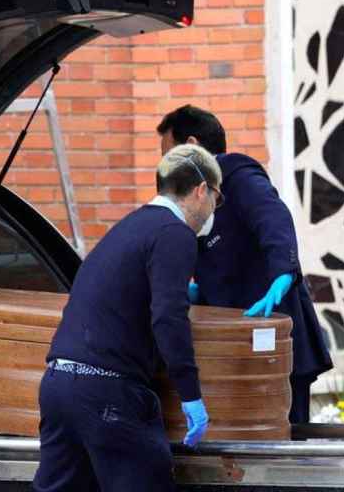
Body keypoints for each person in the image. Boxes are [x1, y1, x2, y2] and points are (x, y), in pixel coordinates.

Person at [33, 144, 221, 492]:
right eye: (216, 199)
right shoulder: (175, 233)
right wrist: (191, 395)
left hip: (58, 386)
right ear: (200, 191)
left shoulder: (130, 226)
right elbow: (168, 317)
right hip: (107, 394)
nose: (213, 210)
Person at [156, 104, 333, 423]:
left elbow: (274, 218)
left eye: (168, 157)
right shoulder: (194, 201)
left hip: (278, 341)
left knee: (287, 443)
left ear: (193, 147)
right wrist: (197, 293)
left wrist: (282, 273)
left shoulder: (236, 174)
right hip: (237, 351)